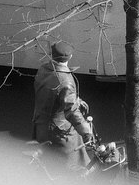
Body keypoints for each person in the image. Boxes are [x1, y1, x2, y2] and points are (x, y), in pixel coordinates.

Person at [32, 41, 95, 169]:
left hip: (41, 124)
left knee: (48, 163)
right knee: (72, 166)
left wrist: (76, 99)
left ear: (51, 55)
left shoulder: (43, 69)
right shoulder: (65, 80)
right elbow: (71, 110)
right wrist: (86, 131)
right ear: (70, 57)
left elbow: (53, 94)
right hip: (59, 132)